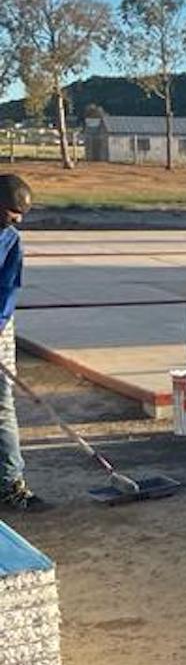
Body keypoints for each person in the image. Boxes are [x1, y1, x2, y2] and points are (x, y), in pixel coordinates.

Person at [0, 174, 46, 514]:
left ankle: (10, 484)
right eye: (11, 213)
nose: (16, 220)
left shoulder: (12, 241)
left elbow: (8, 290)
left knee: (2, 407)